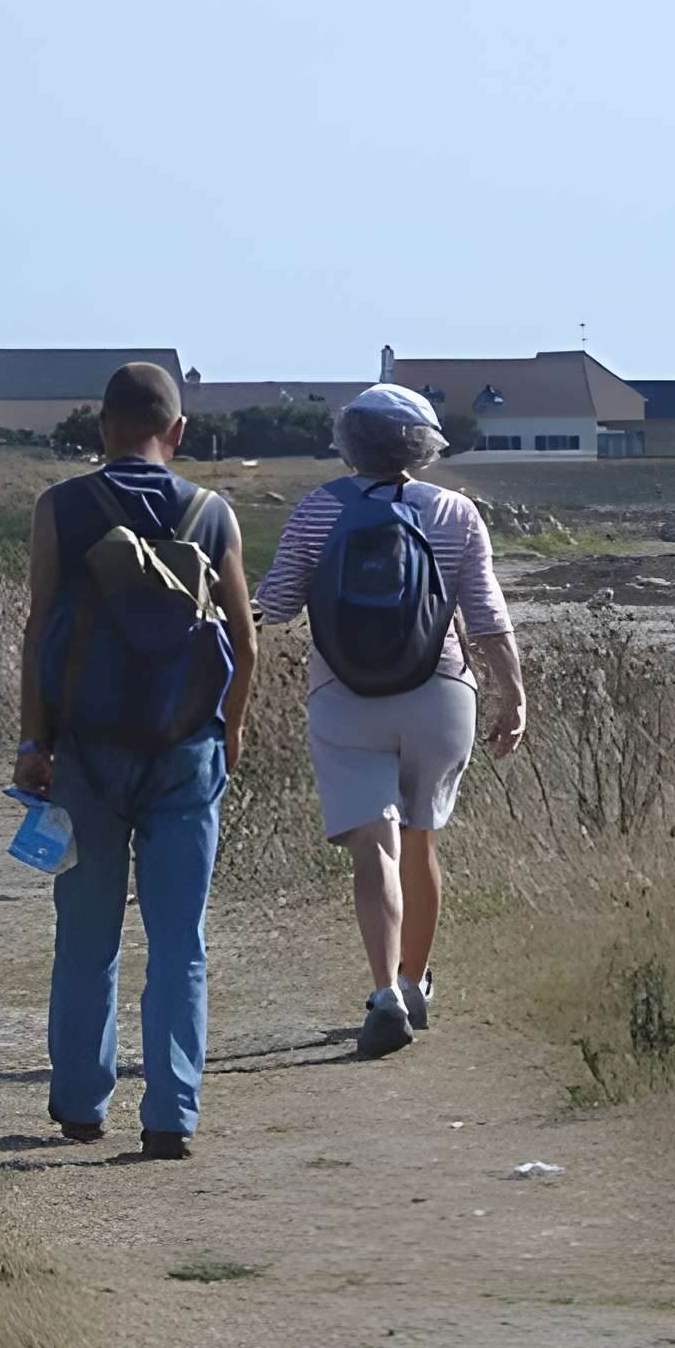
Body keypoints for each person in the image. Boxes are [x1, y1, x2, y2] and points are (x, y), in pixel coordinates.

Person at [12, 361, 256, 1160]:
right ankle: (172, 1116)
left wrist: (33, 744)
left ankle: (82, 1104)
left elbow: (40, 629)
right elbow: (246, 646)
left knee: (87, 936)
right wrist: (228, 735)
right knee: (180, 939)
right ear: (177, 431)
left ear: (100, 428)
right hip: (186, 753)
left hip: (86, 750)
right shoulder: (213, 515)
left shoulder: (63, 509)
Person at [254, 384, 525, 1059]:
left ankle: (382, 995)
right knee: (421, 840)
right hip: (439, 692)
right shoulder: (456, 513)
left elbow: (279, 603)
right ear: (425, 445)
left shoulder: (320, 509)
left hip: (344, 696)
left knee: (375, 847)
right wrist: (513, 695)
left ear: (349, 441)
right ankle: (414, 985)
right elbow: (487, 617)